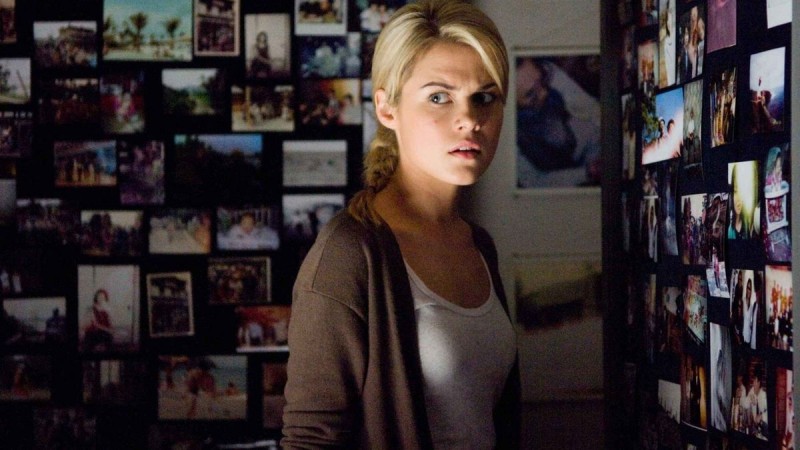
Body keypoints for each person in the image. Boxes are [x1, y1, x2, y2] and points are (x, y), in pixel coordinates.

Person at [281, 1, 519, 448]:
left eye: (485, 97)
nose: (470, 120)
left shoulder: (477, 244)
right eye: (438, 97)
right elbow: (310, 440)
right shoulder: (348, 254)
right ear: (387, 108)